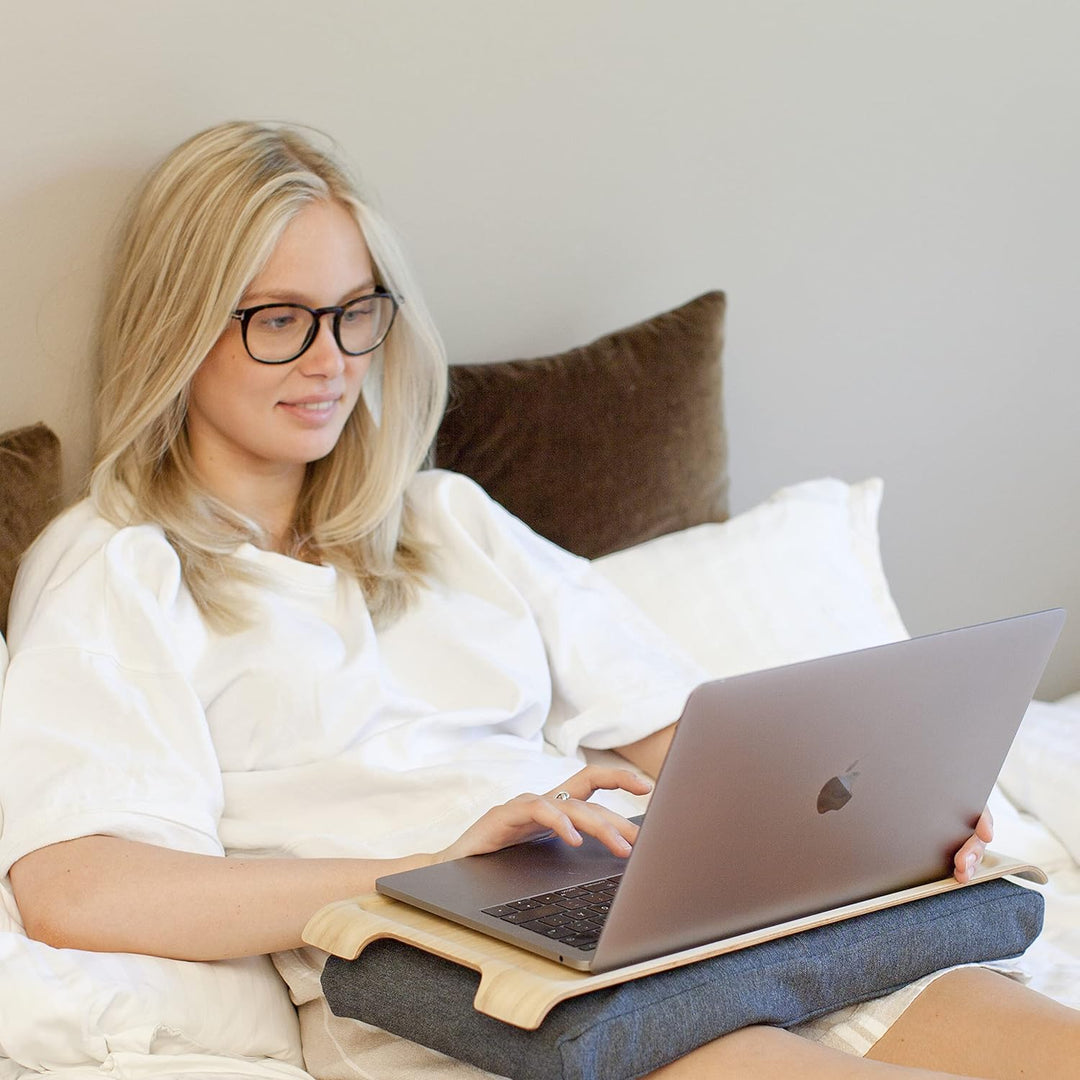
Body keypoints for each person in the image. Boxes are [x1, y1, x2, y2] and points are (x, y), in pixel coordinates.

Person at [0, 121, 1076, 1080]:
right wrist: (429, 873)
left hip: (641, 919)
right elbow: (74, 885)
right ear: (178, 328)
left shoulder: (444, 521)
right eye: (280, 320)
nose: (331, 362)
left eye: (355, 313)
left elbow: (689, 739)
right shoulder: (118, 563)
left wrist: (873, 811)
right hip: (458, 989)